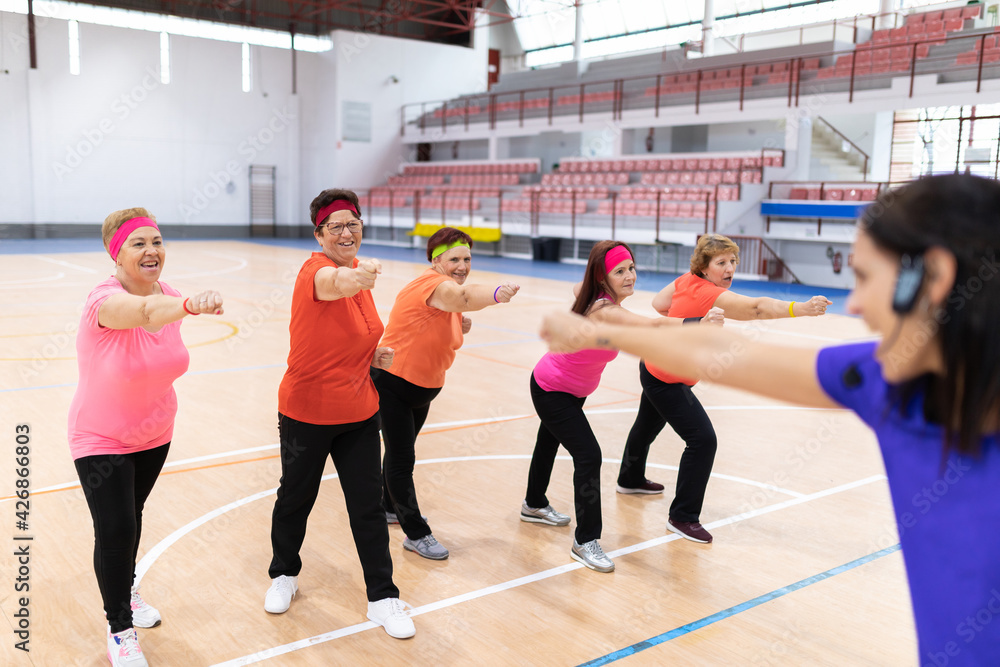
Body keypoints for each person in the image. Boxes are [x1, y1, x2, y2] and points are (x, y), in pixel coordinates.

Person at [540, 173, 1000, 663]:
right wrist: (604, 332)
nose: (858, 303)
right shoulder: (883, 379)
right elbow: (727, 354)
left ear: (933, 277)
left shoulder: (887, 377)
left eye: (864, 277)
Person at [69, 208, 224, 667]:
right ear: (116, 255)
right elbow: (141, 312)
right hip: (100, 436)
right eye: (138, 243)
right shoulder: (104, 301)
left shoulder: (169, 293)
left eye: (156, 241)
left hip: (155, 433)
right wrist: (191, 305)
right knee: (115, 529)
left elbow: (161, 318)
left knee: (131, 518)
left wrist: (181, 303)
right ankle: (120, 629)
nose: (151, 251)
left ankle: (125, 588)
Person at [264, 188, 414, 639]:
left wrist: (372, 356)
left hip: (359, 411)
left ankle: (383, 598)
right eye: (336, 226)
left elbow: (346, 334)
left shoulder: (356, 279)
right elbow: (335, 286)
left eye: (353, 223)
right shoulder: (317, 271)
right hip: (306, 413)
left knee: (367, 506)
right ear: (320, 234)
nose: (346, 232)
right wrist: (361, 275)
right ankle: (283, 574)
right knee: (295, 498)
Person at [616, 233, 831, 545]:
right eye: (721, 263)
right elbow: (757, 308)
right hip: (667, 378)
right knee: (703, 441)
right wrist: (802, 308)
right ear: (704, 267)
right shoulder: (708, 293)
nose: (729, 268)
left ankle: (629, 479)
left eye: (733, 261)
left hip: (652, 366)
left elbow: (658, 303)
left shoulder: (686, 281)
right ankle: (683, 517)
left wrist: (687, 320)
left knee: (646, 425)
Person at [523, 240, 709, 573]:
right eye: (619, 271)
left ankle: (533, 505)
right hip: (552, 389)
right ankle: (586, 541)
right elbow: (651, 324)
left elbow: (582, 286)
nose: (629, 276)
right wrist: (697, 323)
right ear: (602, 276)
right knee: (589, 455)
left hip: (567, 389)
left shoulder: (597, 297)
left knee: (548, 442)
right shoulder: (603, 309)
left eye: (632, 268)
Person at [376, 227, 519, 560]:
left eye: (467, 258)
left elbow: (446, 315)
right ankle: (416, 533)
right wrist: (497, 292)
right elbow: (465, 297)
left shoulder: (444, 291)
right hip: (394, 382)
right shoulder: (431, 285)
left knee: (401, 450)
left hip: (422, 387)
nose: (462, 265)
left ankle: (388, 507)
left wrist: (458, 324)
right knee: (401, 460)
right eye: (454, 258)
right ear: (436, 260)